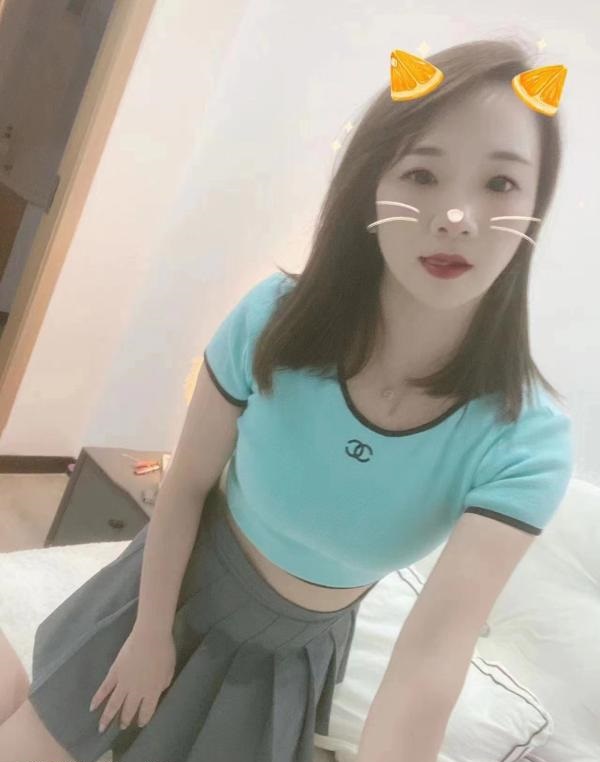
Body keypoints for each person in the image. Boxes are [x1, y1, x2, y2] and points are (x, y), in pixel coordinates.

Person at [0, 36, 574, 762]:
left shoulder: (525, 441)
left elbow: (432, 657)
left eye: (500, 183)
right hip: (168, 590)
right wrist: (148, 632)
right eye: (423, 174)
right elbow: (186, 485)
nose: (456, 216)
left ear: (535, 206)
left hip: (286, 660)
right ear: (372, 186)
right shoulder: (273, 318)